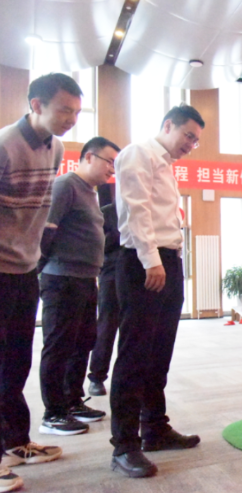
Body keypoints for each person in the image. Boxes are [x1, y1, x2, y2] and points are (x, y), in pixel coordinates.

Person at [110, 104, 204, 478]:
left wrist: (167, 260)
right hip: (143, 262)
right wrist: (151, 260)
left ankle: (154, 428)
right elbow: (137, 211)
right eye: (188, 135)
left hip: (168, 260)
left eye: (196, 140)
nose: (191, 144)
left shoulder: (166, 165)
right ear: (167, 126)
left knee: (159, 352)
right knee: (135, 354)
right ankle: (124, 445)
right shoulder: (139, 153)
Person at [0, 73, 82, 487]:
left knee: (16, 362)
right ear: (36, 105)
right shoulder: (4, 145)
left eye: (77, 112)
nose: (71, 119)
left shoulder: (57, 147)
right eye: (64, 109)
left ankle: (15, 443)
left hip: (25, 269)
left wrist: (32, 258)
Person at [38, 137, 119, 436]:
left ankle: (72, 401)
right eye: (109, 161)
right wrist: (41, 271)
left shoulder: (90, 192)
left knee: (83, 341)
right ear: (88, 157)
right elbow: (46, 231)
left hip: (86, 278)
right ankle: (53, 414)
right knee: (58, 345)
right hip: (62, 279)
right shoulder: (66, 185)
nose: (112, 169)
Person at [87, 189, 122, 397]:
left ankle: (129, 378)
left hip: (137, 272)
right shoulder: (106, 212)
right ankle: (97, 377)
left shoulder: (143, 210)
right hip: (111, 273)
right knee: (107, 325)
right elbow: (98, 245)